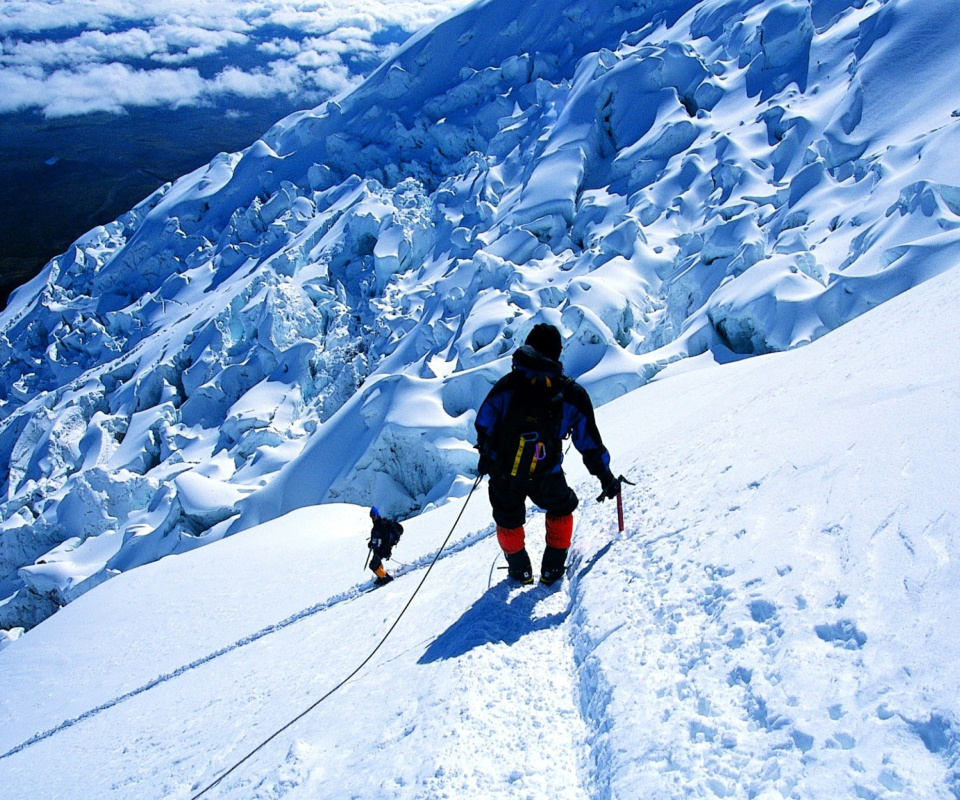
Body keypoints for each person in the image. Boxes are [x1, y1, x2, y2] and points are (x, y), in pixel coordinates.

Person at [475, 322, 621, 586]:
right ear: (556, 353)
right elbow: (588, 442)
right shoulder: (570, 394)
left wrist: (485, 455)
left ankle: (520, 571)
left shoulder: (508, 385)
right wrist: (605, 476)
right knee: (560, 508)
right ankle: (553, 569)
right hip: (547, 471)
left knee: (507, 518)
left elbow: (484, 422)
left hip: (505, 472)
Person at [368, 507, 403, 586]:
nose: (373, 518)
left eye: (374, 516)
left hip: (383, 549)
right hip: (378, 549)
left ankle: (386, 578)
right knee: (376, 563)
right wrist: (371, 543)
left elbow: (386, 539)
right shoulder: (376, 527)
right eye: (372, 516)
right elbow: (375, 537)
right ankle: (381, 576)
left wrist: (386, 551)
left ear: (377, 515)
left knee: (373, 565)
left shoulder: (382, 526)